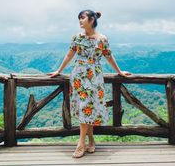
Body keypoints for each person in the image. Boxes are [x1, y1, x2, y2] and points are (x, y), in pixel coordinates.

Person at [47, 9, 132, 158]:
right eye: (79, 18)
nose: (80, 21)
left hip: (94, 76)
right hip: (78, 75)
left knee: (88, 106)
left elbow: (108, 56)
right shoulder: (76, 37)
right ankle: (90, 139)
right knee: (84, 107)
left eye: (82, 18)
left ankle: (81, 144)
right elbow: (69, 54)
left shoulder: (101, 39)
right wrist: (58, 70)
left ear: (91, 19)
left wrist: (119, 72)